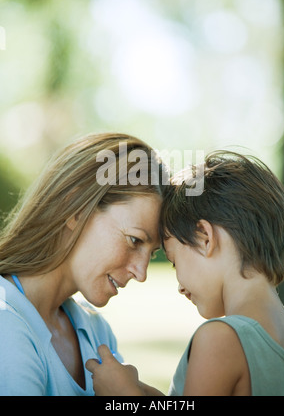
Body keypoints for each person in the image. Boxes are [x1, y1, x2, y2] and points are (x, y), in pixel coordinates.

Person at [86, 150, 284, 396]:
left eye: (174, 262)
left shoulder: (220, 339)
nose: (179, 286)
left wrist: (123, 394)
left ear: (205, 238)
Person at [0, 132, 166, 396]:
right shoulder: (5, 321)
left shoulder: (96, 331)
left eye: (152, 253)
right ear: (75, 210)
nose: (141, 272)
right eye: (135, 240)